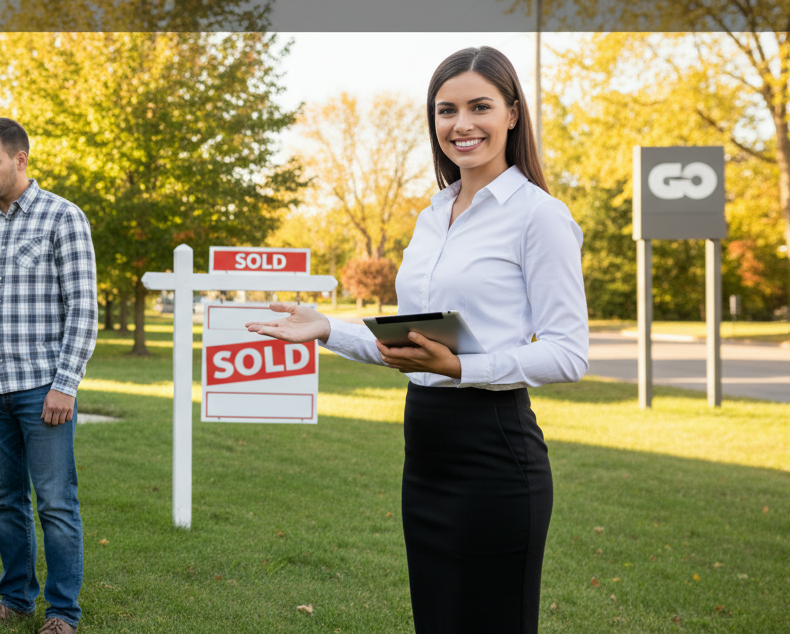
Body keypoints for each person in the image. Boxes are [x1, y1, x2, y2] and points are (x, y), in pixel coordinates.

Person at [248, 46, 588, 634]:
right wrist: (326, 328)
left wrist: (462, 367)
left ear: (512, 114)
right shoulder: (432, 215)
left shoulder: (540, 216)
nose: (462, 125)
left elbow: (568, 351)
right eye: (445, 110)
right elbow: (412, 346)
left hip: (494, 452)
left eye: (479, 107)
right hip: (426, 450)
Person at [0, 117, 97, 634]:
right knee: (6, 502)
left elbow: (83, 310)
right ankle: (15, 600)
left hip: (43, 389)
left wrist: (66, 384)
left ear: (20, 160)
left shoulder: (64, 218)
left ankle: (62, 614)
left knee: (56, 503)